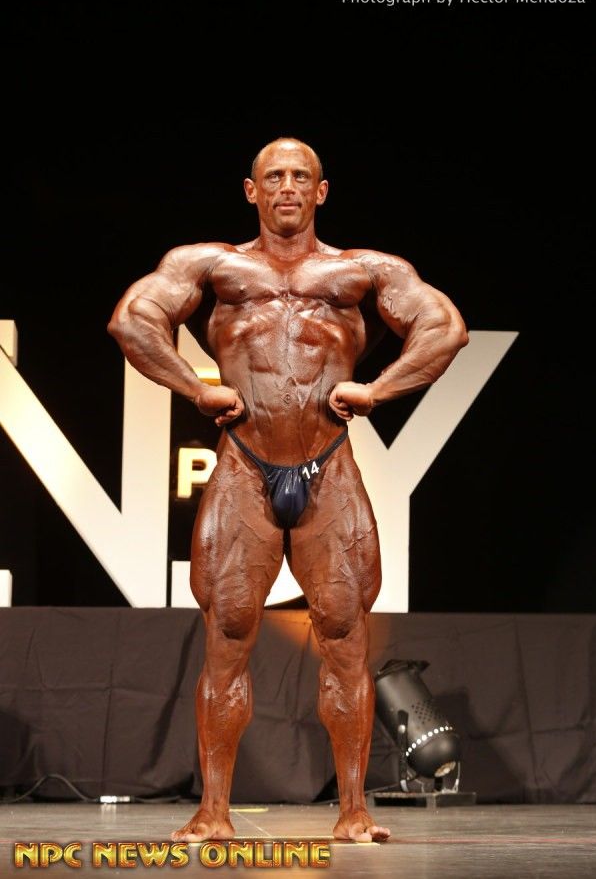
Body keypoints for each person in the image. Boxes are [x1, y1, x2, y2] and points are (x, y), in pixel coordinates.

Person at [108, 137, 468, 843]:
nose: (287, 187)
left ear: (321, 192)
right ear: (251, 190)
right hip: (244, 468)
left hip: (329, 469)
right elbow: (133, 320)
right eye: (274, 176)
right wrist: (195, 388)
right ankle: (213, 811)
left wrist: (378, 389)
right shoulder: (212, 265)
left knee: (344, 637)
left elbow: (444, 327)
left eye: (301, 177)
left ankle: (354, 812)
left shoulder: (362, 270)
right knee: (227, 635)